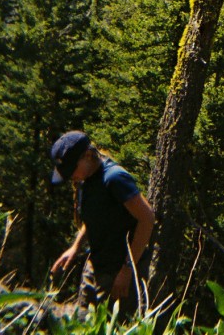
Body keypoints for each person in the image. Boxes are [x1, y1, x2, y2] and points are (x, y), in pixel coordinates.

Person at [50, 131, 155, 314]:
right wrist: (75, 247)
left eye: (71, 170)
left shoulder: (114, 178)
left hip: (120, 272)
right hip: (96, 266)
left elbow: (147, 218)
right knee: (83, 322)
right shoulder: (87, 179)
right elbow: (94, 218)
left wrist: (127, 270)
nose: (70, 177)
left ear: (88, 156)